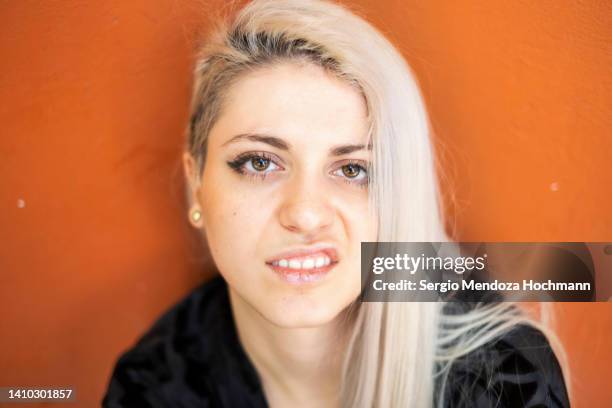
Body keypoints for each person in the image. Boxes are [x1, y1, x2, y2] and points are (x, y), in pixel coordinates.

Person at [102, 0, 570, 406]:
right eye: (259, 163)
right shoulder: (152, 386)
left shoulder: (502, 377)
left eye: (353, 170)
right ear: (195, 184)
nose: (305, 214)